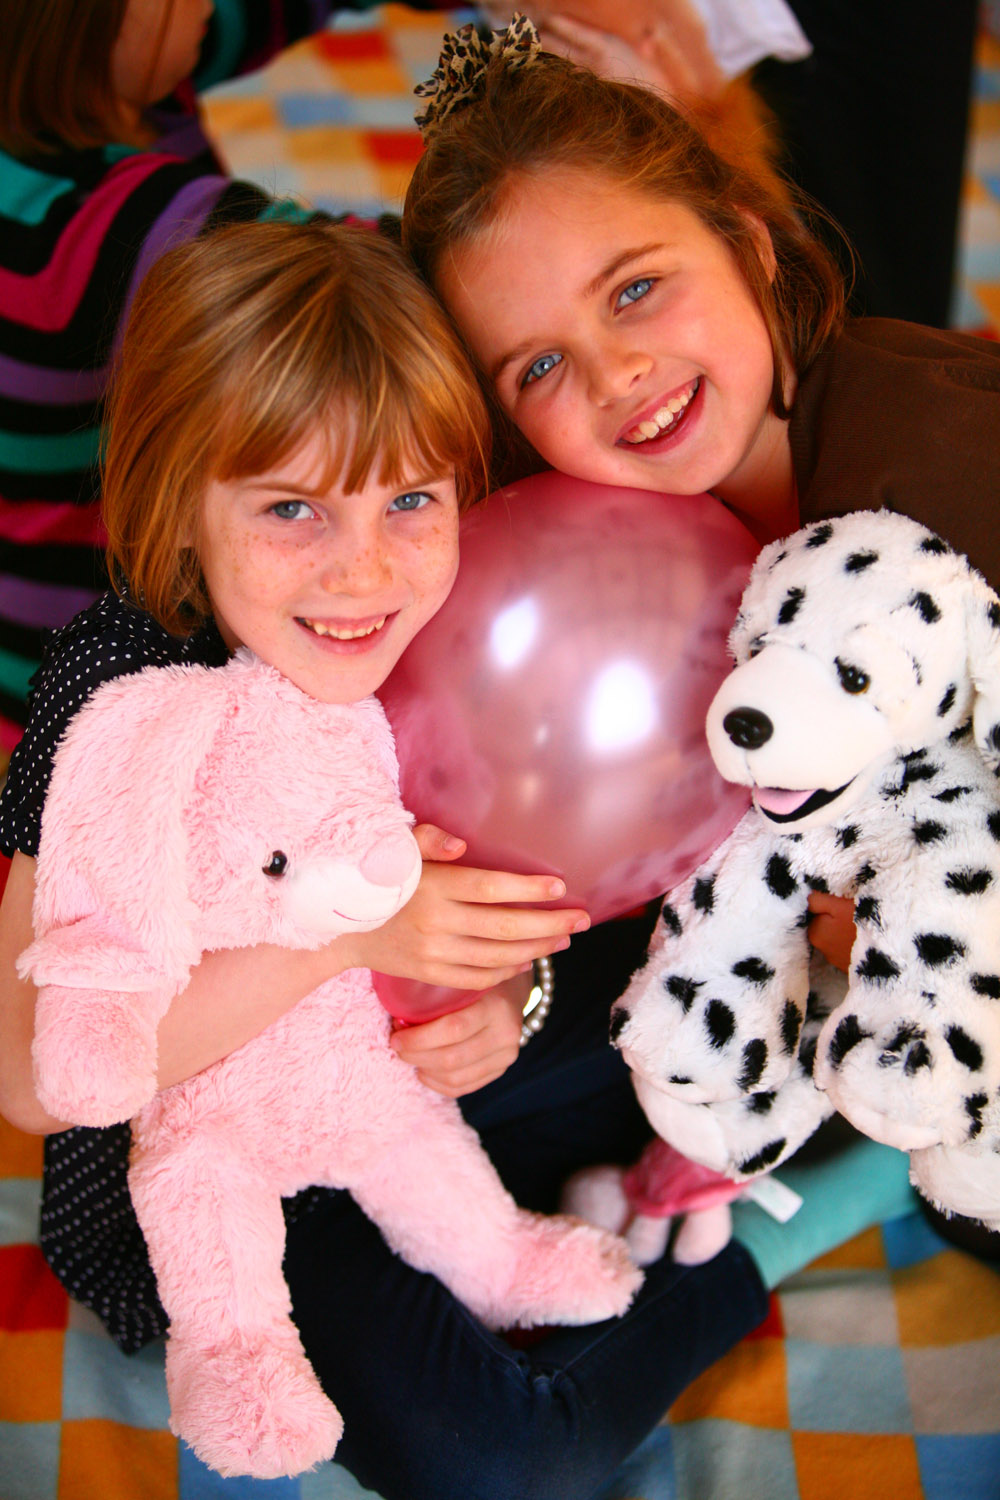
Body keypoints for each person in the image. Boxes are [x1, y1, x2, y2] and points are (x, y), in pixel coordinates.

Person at [0, 217, 914, 1499]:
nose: (361, 568)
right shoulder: (123, 683)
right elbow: (33, 1081)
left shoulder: (464, 602)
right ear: (178, 501)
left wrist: (502, 998)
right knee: (498, 1458)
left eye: (409, 500)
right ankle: (791, 1220)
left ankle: (695, 1162)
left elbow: (535, 905)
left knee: (724, 1016)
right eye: (290, 508)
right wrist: (350, 938)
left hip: (418, 1101)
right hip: (227, 1188)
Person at [401, 17, 1000, 1258]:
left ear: (748, 240)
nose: (616, 371)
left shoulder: (938, 486)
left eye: (635, 289)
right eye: (539, 365)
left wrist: (879, 918)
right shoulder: (607, 567)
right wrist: (502, 966)